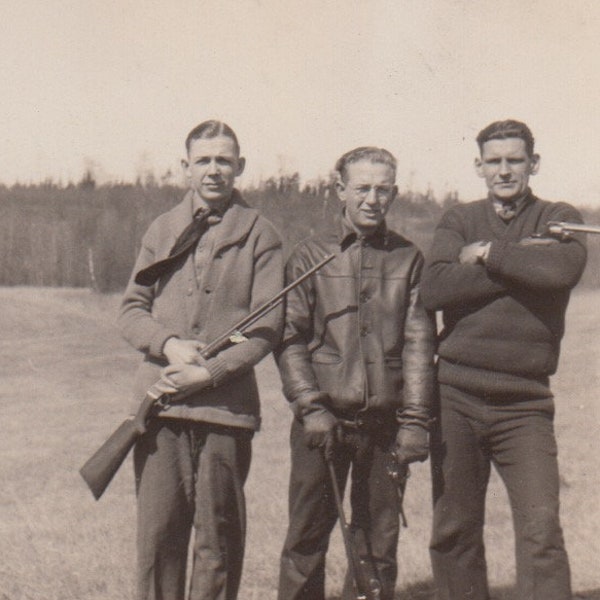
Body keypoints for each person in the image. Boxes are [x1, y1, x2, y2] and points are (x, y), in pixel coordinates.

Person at [420, 119, 587, 600]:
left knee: (542, 533)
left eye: (515, 159)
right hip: (457, 394)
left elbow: (562, 269)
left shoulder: (560, 215)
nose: (505, 170)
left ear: (533, 163)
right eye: (494, 161)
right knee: (455, 529)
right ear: (479, 166)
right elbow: (435, 288)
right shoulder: (458, 219)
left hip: (526, 403)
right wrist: (521, 261)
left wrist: (488, 254)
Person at [118, 120, 283, 600]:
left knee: (219, 543)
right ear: (185, 167)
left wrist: (208, 372)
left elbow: (266, 328)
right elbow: (131, 311)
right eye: (204, 161)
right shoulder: (162, 229)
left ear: (240, 167)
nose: (214, 171)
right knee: (158, 541)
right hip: (160, 408)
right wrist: (168, 345)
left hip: (225, 414)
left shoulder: (262, 234)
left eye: (224, 161)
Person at [275, 146, 436, 600]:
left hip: (385, 428)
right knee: (306, 539)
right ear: (339, 189)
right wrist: (310, 407)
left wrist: (415, 423)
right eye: (362, 188)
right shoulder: (310, 257)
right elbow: (289, 338)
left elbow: (419, 345)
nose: (372, 199)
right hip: (321, 426)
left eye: (382, 189)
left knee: (377, 545)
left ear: (395, 193)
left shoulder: (409, 260)